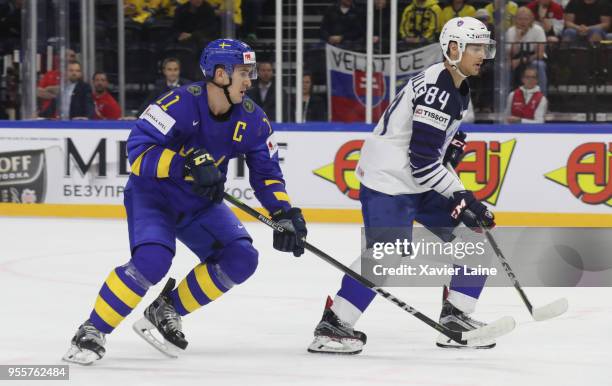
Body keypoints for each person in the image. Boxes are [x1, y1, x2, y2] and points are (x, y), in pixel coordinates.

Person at [62, 38, 308, 365]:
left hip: (199, 203)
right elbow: (137, 151)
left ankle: (167, 309)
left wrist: (284, 212)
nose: (250, 80)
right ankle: (93, 329)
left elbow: (267, 172)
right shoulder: (178, 103)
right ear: (220, 74)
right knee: (154, 259)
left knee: (241, 257)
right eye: (243, 72)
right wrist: (186, 164)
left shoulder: (254, 120)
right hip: (154, 195)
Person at [307, 17, 497, 355]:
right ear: (453, 48)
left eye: (485, 47)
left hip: (414, 179)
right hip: (389, 182)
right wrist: (463, 196)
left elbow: (426, 150)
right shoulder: (441, 88)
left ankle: (456, 319)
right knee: (386, 255)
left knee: (473, 241)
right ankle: (334, 324)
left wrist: (447, 148)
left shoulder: (455, 82)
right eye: (476, 47)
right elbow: (423, 161)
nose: (483, 54)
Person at [507, 7, 548, 93]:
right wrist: (517, 39)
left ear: (531, 20)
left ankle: (542, 97)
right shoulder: (511, 31)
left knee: (539, 65)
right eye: (520, 19)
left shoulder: (538, 30)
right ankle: (506, 99)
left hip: (533, 58)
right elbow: (510, 54)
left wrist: (521, 60)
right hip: (516, 57)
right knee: (506, 67)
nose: (523, 22)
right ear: (515, 20)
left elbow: (540, 54)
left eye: (526, 19)